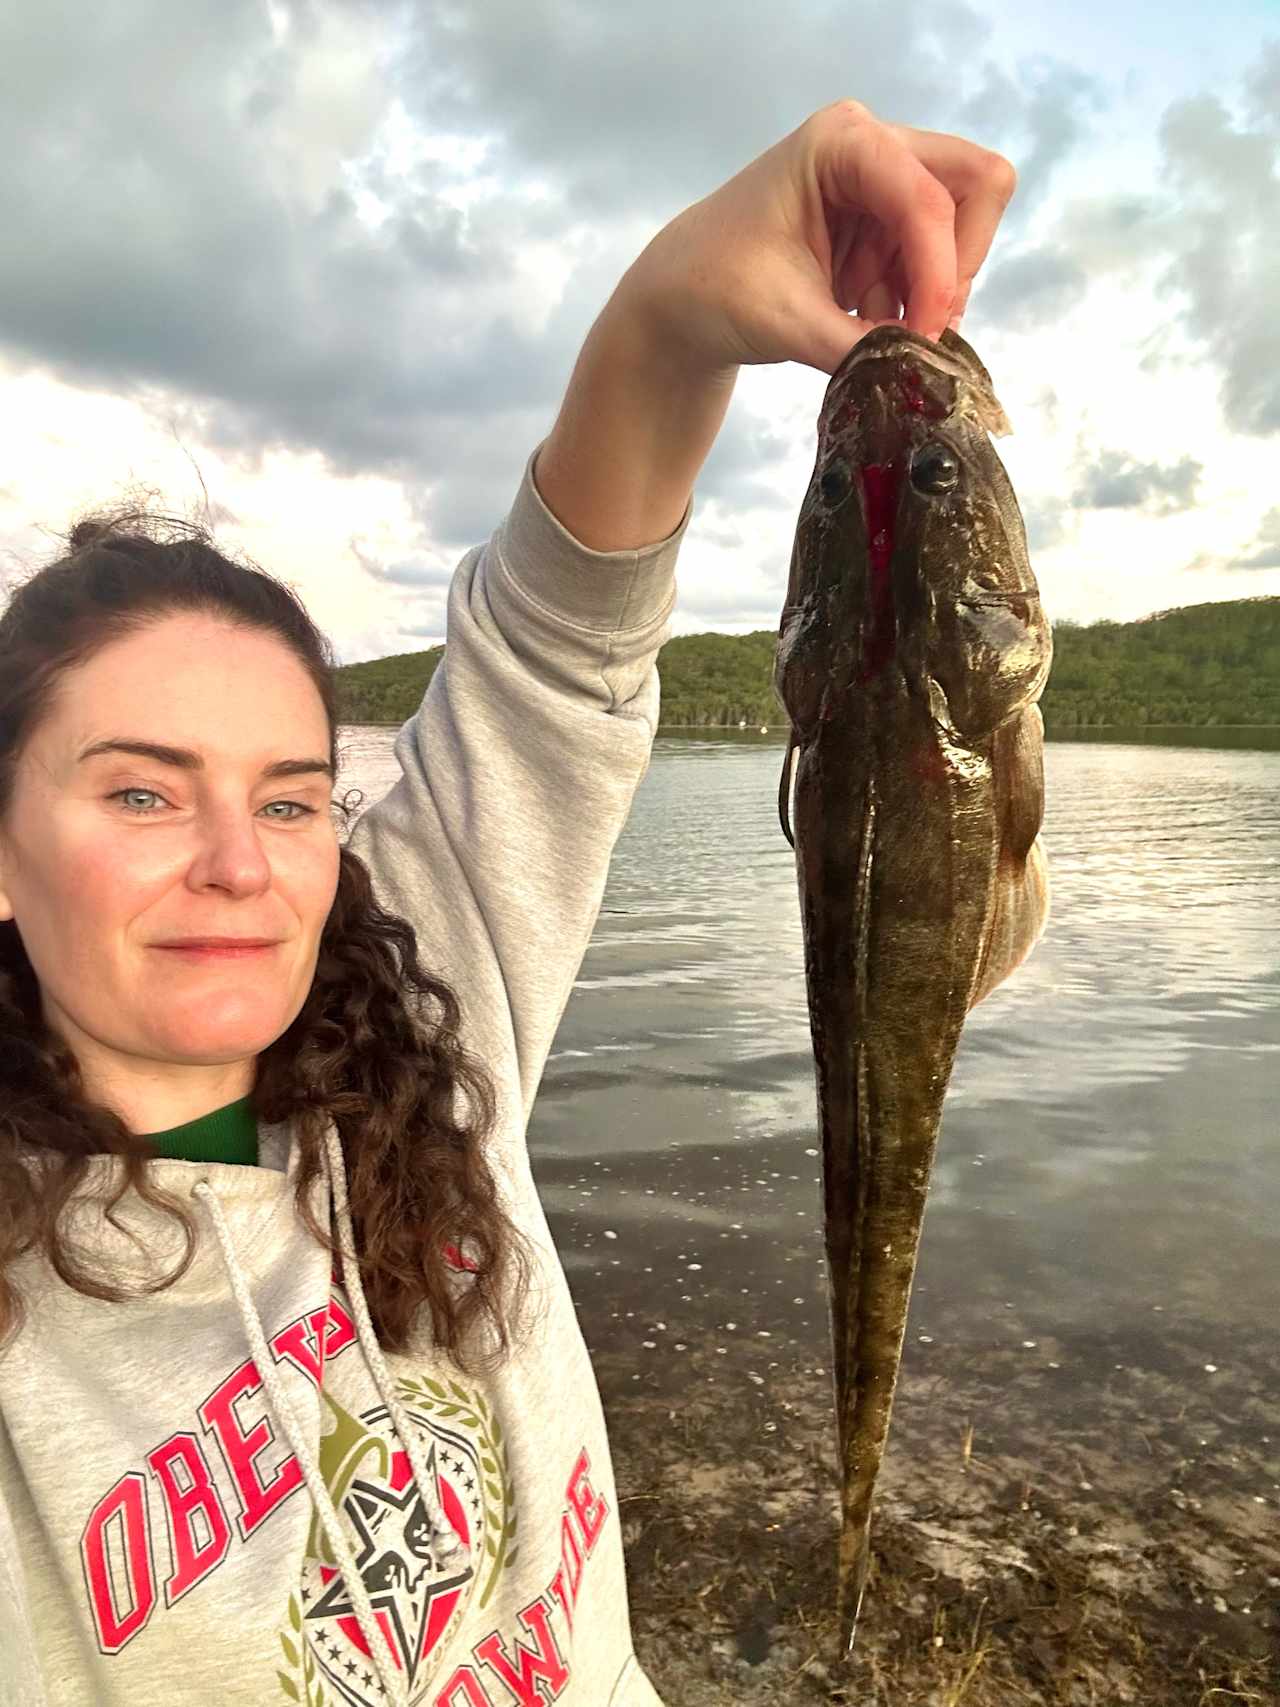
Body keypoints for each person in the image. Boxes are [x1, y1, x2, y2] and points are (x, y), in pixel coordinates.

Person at [0, 100, 1014, 1707]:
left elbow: (553, 648)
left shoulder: (425, 1007)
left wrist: (678, 305)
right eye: (137, 791)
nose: (238, 863)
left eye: (290, 793)